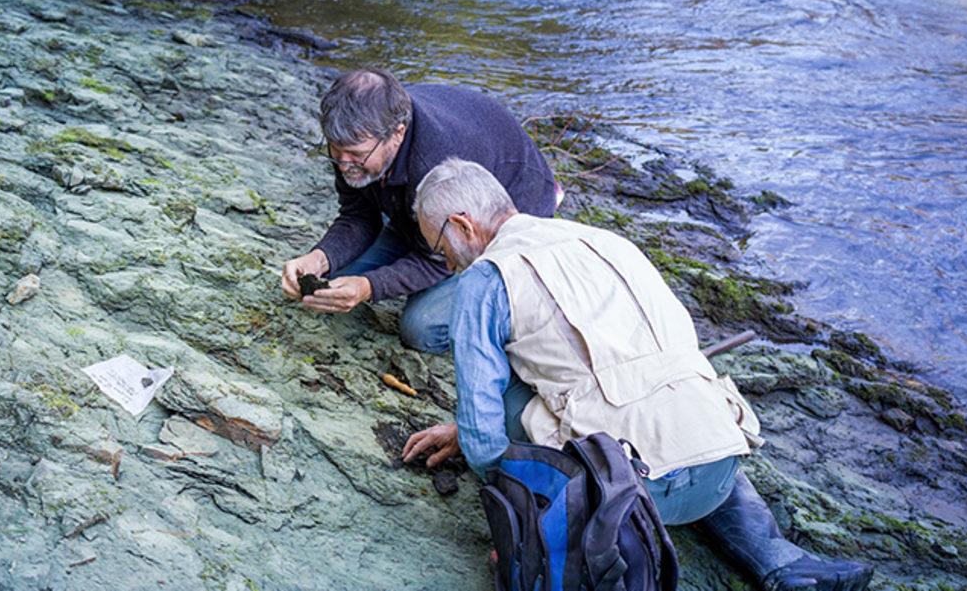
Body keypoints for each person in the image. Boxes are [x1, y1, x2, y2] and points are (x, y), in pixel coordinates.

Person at [401, 158, 873, 591]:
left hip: (625, 496)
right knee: (678, 405)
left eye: (441, 248)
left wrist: (509, 516)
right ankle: (782, 562)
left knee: (511, 384)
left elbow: (484, 433)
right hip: (721, 464)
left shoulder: (487, 280)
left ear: (463, 224)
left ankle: (554, 525)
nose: (446, 264)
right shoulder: (602, 239)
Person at [280, 68, 558, 354]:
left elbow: (439, 259)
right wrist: (319, 258)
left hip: (495, 231)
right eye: (335, 151)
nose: (343, 163)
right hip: (420, 217)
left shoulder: (437, 164)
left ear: (397, 134)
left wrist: (368, 287)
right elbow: (358, 215)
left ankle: (511, 309)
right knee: (331, 286)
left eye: (356, 154)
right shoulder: (355, 140)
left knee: (421, 327)